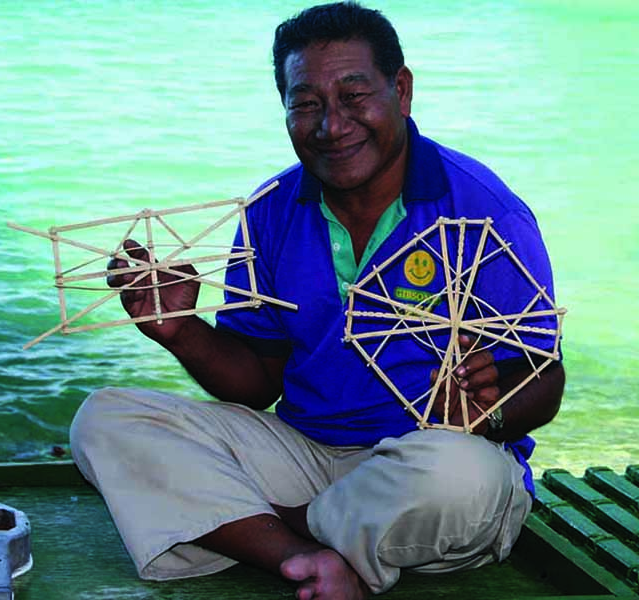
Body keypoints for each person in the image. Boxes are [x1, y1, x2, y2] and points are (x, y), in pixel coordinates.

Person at [69, 2, 565, 599]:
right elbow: (256, 385)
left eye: (354, 97)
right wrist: (183, 331)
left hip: (423, 465)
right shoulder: (272, 208)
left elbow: (546, 377)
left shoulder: (485, 210)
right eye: (305, 104)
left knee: (463, 477)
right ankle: (311, 558)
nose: (331, 125)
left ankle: (268, 530)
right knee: (105, 420)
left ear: (401, 90)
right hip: (305, 451)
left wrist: (494, 409)